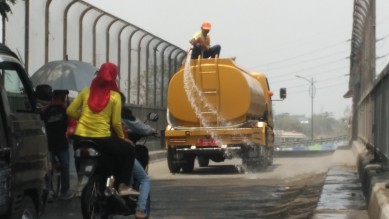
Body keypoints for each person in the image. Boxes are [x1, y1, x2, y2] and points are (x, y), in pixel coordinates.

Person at [66, 62, 138, 196]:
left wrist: (81, 118)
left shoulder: (85, 92)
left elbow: (70, 110)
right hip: (102, 139)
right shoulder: (115, 96)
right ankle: (123, 186)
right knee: (129, 151)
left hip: (80, 138)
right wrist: (123, 140)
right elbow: (116, 123)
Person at [119, 92, 155, 219]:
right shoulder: (119, 110)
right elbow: (136, 125)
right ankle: (140, 210)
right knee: (145, 179)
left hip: (101, 146)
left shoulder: (96, 109)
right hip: (117, 146)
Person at [42, 89, 73, 200]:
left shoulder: (67, 111)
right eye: (61, 97)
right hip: (49, 144)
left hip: (62, 144)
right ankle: (49, 190)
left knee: (65, 167)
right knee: (49, 168)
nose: (62, 99)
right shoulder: (46, 110)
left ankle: (64, 191)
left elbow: (71, 126)